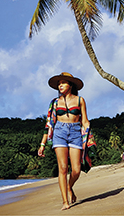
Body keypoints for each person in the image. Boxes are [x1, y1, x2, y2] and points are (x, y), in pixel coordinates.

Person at [37, 72, 91, 210]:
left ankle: (69, 186)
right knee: (62, 168)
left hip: (75, 133)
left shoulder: (80, 100)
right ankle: (65, 202)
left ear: (70, 85)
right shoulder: (55, 103)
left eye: (63, 82)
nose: (60, 85)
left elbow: (84, 120)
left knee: (77, 170)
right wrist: (42, 144)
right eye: (59, 83)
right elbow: (49, 124)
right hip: (59, 133)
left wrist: (88, 134)